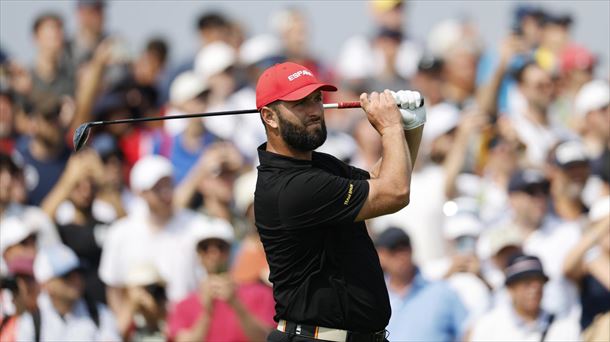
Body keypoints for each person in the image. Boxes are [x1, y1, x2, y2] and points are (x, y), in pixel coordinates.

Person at [254, 61, 425, 341]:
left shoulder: (317, 166)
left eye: (317, 99)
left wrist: (410, 126)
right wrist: (390, 127)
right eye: (300, 104)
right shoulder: (290, 187)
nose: (314, 111)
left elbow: (381, 180)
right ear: (269, 117)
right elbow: (394, 192)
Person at [168, 219, 275, 342]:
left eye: (220, 247)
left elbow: (266, 339)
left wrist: (236, 304)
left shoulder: (261, 294)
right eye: (205, 248)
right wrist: (207, 313)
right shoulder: (183, 305)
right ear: (198, 255)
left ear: (230, 251)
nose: (214, 253)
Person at [375, 227, 467, 341]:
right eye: (393, 251)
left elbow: (468, 332)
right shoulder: (372, 298)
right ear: (381, 255)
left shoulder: (442, 293)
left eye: (404, 248)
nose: (401, 256)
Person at [17, 244, 120, 341]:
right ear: (45, 285)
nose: (76, 280)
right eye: (66, 276)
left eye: (78, 272)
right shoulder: (31, 324)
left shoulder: (100, 314)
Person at [469, 254, 580, 341]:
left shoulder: (564, 326)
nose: (534, 289)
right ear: (510, 289)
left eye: (539, 283)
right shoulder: (489, 326)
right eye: (526, 283)